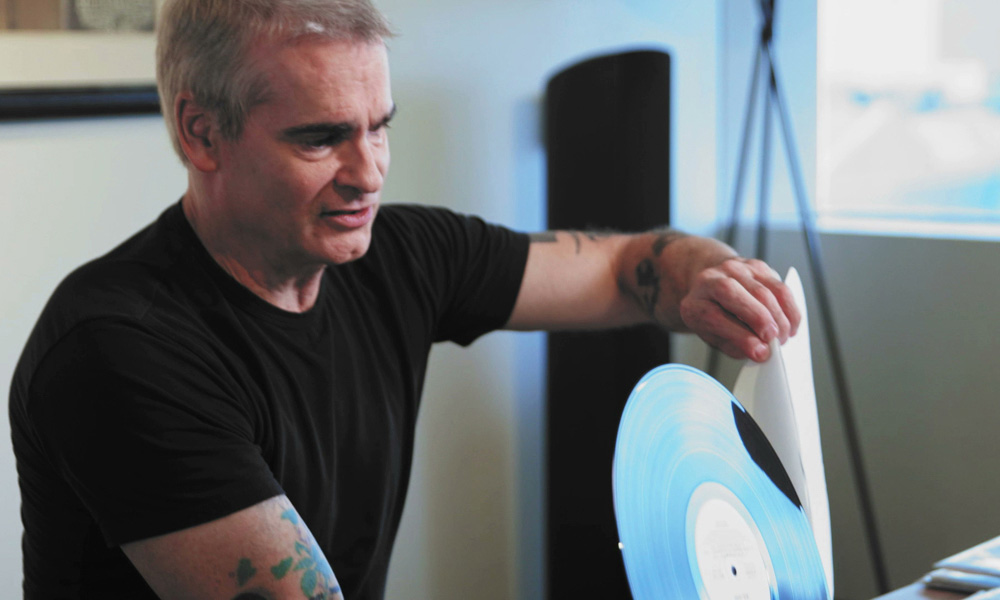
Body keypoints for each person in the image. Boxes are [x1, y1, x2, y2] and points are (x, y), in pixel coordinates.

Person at [8, 0, 800, 598]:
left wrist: (705, 275)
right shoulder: (120, 349)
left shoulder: (401, 255)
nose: (369, 173)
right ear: (202, 133)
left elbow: (626, 268)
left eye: (379, 127)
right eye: (321, 137)